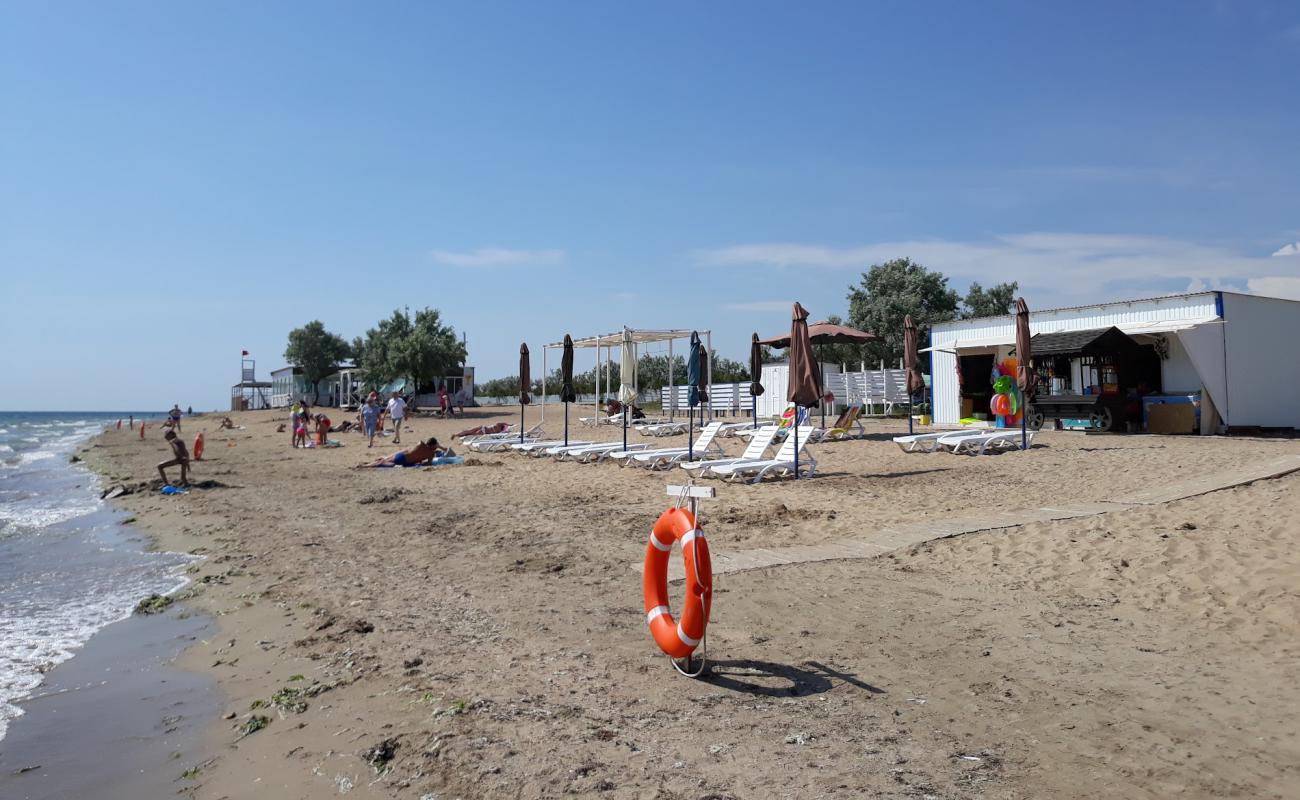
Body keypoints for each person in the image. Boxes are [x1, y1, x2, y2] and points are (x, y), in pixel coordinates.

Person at [354, 437, 449, 468]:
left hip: (402, 456)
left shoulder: (420, 444)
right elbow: (428, 464)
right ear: (434, 445)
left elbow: (407, 450)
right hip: (405, 461)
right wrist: (419, 463)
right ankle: (366, 466)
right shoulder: (431, 454)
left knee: (386, 460)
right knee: (385, 463)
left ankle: (368, 464)